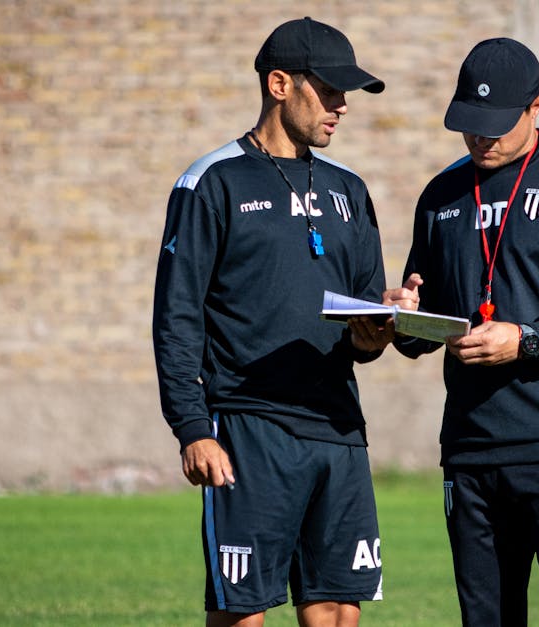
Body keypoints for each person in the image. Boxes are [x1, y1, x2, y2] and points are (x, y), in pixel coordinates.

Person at [384, 38, 539, 626]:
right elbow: (421, 330)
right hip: (470, 453)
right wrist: (404, 317)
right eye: (469, 124)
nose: (480, 138)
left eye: (496, 125)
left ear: (536, 107)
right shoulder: (440, 195)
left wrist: (524, 338)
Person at [152, 17, 392, 627]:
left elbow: (363, 328)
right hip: (248, 429)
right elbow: (177, 316)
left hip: (339, 429)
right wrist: (192, 426)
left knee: (338, 607)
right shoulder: (212, 182)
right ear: (279, 84)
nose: (342, 105)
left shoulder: (350, 190)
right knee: (244, 612)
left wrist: (386, 324)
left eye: (347, 93)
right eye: (329, 89)